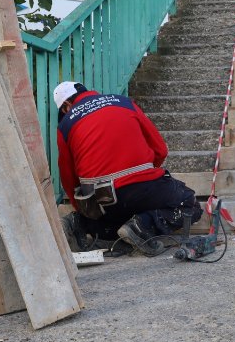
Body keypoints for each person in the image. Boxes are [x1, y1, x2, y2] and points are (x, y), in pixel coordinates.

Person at [53, 81, 202, 254]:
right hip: (141, 187)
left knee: (112, 224)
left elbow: (68, 177)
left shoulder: (65, 126)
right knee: (189, 205)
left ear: (66, 106)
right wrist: (143, 175)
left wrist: (81, 208)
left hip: (101, 201)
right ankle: (141, 226)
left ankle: (80, 222)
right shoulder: (123, 102)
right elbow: (160, 150)